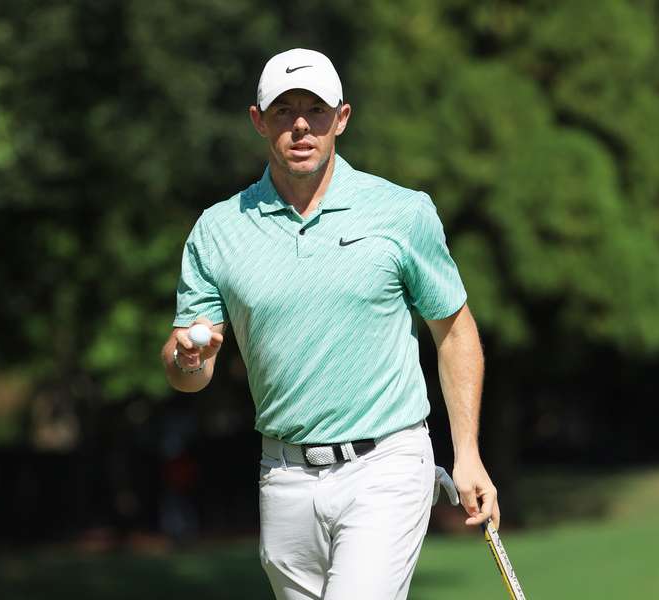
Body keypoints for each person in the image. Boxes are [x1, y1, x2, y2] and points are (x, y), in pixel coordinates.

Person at [161, 48, 499, 600]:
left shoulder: (401, 212)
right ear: (257, 121)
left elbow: (455, 332)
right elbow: (186, 373)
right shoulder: (218, 231)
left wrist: (467, 454)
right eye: (283, 110)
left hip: (385, 465)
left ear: (341, 117)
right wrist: (186, 359)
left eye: (315, 109)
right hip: (284, 477)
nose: (300, 124)